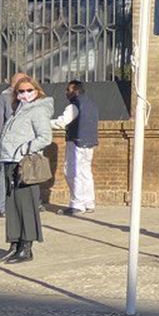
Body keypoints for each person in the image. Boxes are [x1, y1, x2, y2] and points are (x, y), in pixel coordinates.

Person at [0, 74, 53, 263]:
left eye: (29, 90)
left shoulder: (38, 110)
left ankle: (26, 247)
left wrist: (25, 148)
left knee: (25, 204)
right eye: (21, 91)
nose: (25, 94)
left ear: (37, 91)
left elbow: (45, 137)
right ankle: (14, 244)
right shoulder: (18, 109)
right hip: (8, 160)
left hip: (23, 163)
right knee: (12, 205)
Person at [49, 80, 99, 216]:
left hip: (76, 141)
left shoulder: (74, 105)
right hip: (89, 142)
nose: (66, 92)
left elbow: (62, 122)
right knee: (85, 172)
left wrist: (44, 123)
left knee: (72, 171)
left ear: (75, 91)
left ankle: (77, 204)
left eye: (68, 89)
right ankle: (88, 202)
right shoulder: (91, 104)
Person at [0, 74, 23, 216]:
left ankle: (19, 204)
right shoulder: (5, 97)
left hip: (23, 144)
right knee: (4, 175)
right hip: (7, 144)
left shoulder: (28, 97)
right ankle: (2, 207)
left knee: (22, 173)